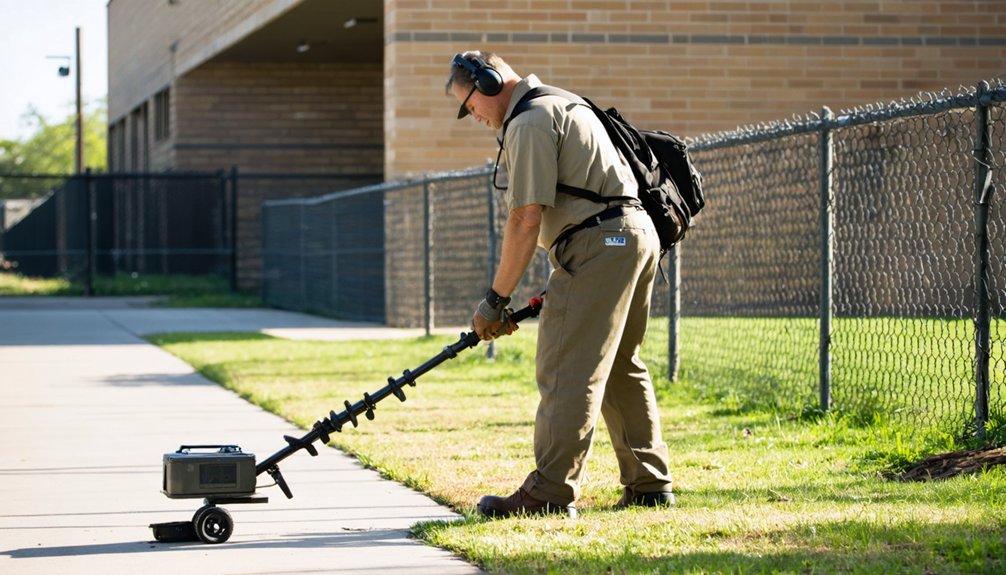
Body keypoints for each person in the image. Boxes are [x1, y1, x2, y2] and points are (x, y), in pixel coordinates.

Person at [446, 51, 675, 519]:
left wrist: (494, 301)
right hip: (634, 235)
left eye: (470, 104)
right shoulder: (564, 102)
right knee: (619, 364)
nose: (473, 116)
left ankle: (550, 492)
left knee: (568, 367)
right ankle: (650, 484)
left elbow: (525, 218)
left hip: (600, 243)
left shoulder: (528, 121)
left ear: (490, 83)